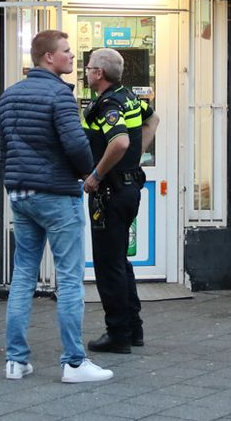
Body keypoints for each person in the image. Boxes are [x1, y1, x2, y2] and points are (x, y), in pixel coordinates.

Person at [0, 30, 113, 383]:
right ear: (48, 57)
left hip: (21, 195)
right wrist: (88, 173)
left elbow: (4, 146)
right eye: (66, 51)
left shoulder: (8, 95)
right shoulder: (60, 96)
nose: (72, 57)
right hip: (57, 195)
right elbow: (76, 144)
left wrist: (12, 180)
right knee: (69, 278)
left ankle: (16, 361)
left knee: (22, 276)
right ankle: (74, 363)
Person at [82, 48, 159, 354]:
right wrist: (134, 159)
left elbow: (120, 141)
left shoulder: (108, 103)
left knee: (108, 265)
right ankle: (133, 328)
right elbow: (153, 122)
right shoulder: (130, 97)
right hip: (128, 189)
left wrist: (97, 175)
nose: (86, 72)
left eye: (89, 68)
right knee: (119, 261)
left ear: (99, 73)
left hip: (111, 192)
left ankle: (118, 334)